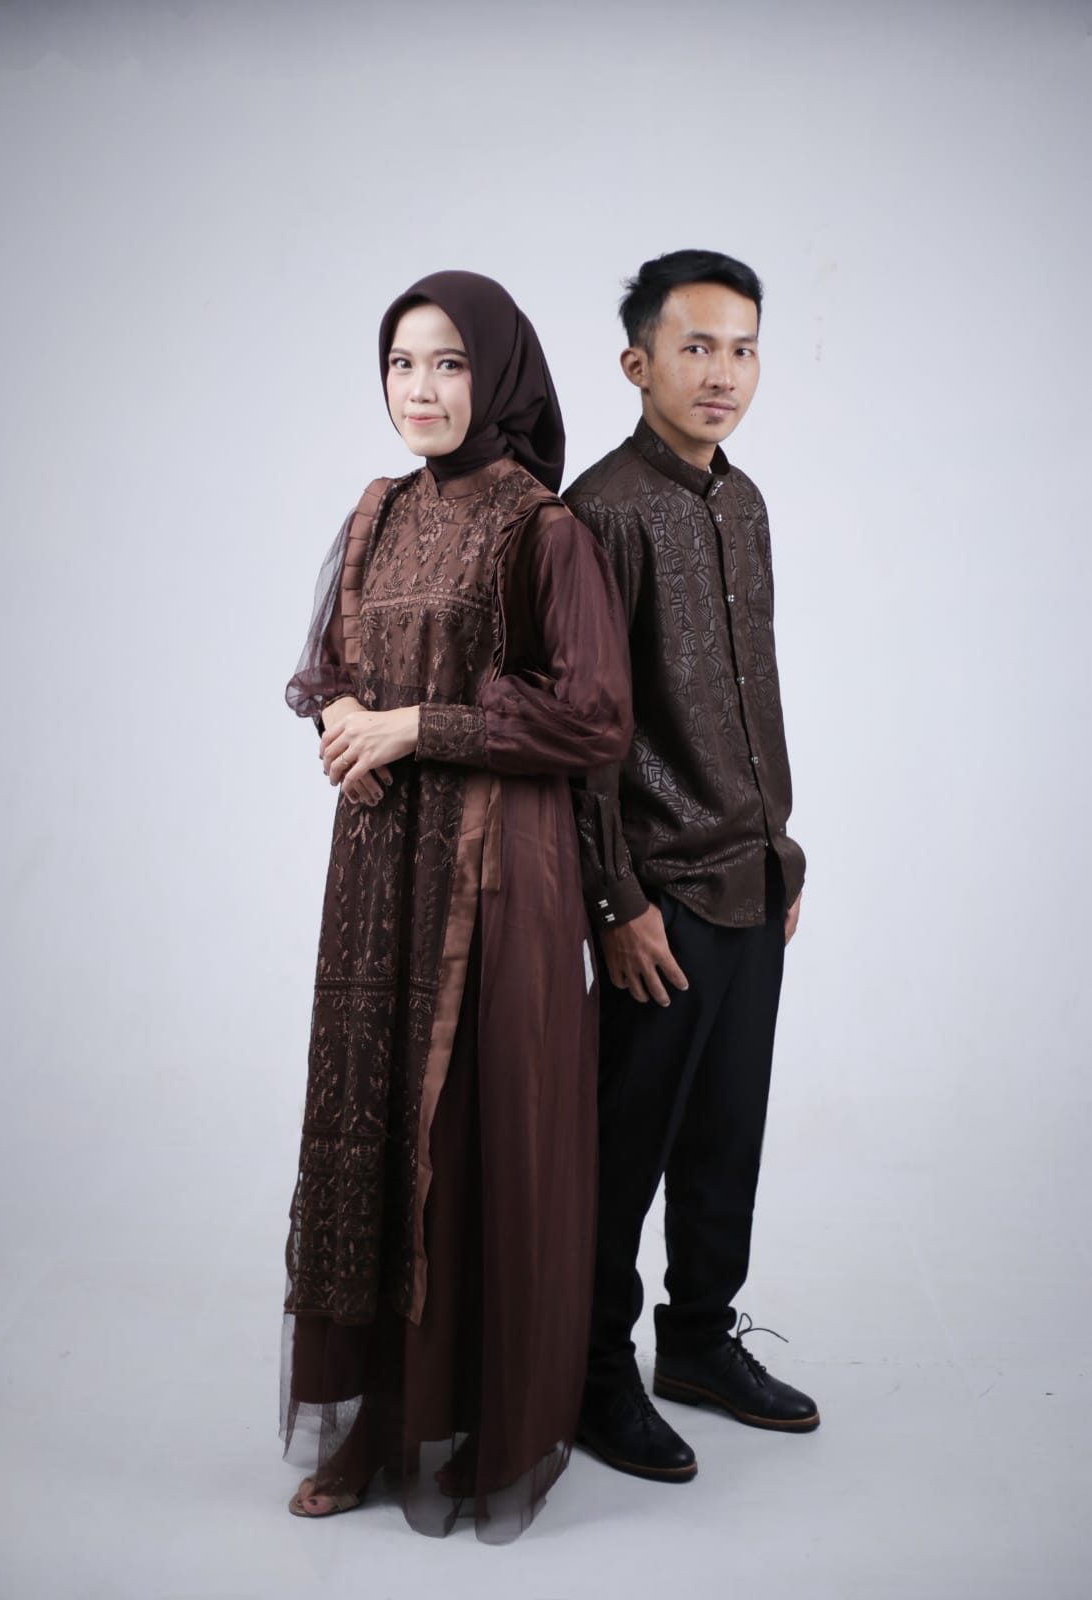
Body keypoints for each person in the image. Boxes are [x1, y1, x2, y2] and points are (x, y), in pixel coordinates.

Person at [279, 270, 632, 1541]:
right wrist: (342, 715)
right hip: (379, 870)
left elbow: (594, 716)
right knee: (370, 1122)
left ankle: (481, 1417)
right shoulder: (376, 512)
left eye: (448, 363)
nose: (419, 389)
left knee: (474, 1129)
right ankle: (377, 1417)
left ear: (498, 374)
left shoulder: (545, 528)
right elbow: (330, 663)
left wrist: (412, 726)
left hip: (496, 871)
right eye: (400, 363)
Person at [566, 249, 819, 1484]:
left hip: (752, 880)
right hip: (658, 896)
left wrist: (783, 851)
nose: (723, 372)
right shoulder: (599, 512)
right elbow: (584, 732)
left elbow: (749, 690)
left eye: (743, 348)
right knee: (621, 1154)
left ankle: (701, 1341)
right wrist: (615, 900)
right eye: (696, 347)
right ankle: (592, 1373)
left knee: (727, 1134)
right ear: (639, 363)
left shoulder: (746, 501)